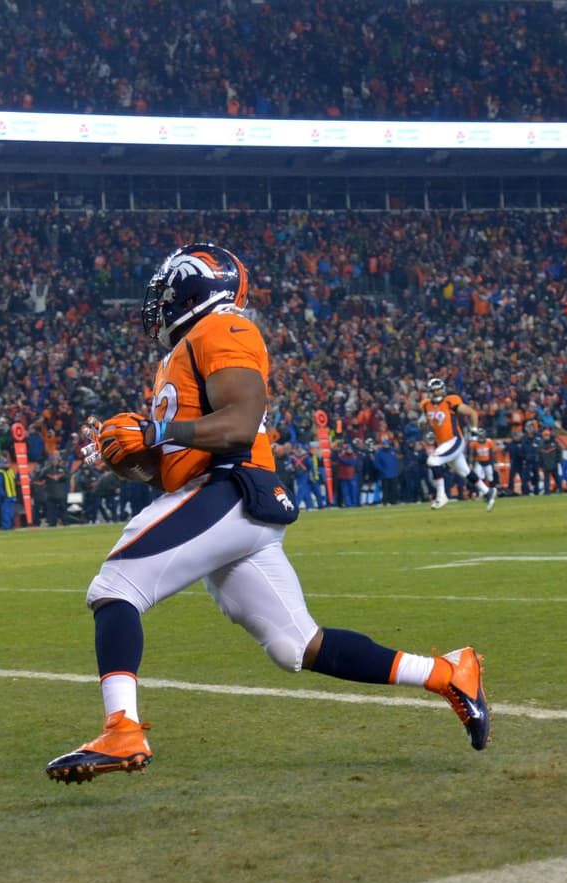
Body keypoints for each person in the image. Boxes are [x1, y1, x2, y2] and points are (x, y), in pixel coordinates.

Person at [46, 243, 489, 784]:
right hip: (220, 498)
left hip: (230, 486)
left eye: (165, 290)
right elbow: (168, 469)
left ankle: (122, 729)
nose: (156, 302)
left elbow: (239, 422)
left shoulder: (222, 326)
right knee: (296, 645)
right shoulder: (177, 353)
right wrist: (128, 458)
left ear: (193, 287)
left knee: (116, 586)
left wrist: (156, 431)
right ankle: (450, 673)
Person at [418, 377, 496, 511]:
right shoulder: (426, 405)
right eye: (434, 390)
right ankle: (487, 491)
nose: (437, 393)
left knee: (433, 461)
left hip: (454, 440)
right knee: (464, 471)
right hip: (443, 443)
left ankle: (441, 495)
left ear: (443, 390)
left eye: (439, 390)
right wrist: (423, 424)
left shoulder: (450, 401)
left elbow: (472, 413)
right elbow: (423, 425)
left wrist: (474, 430)